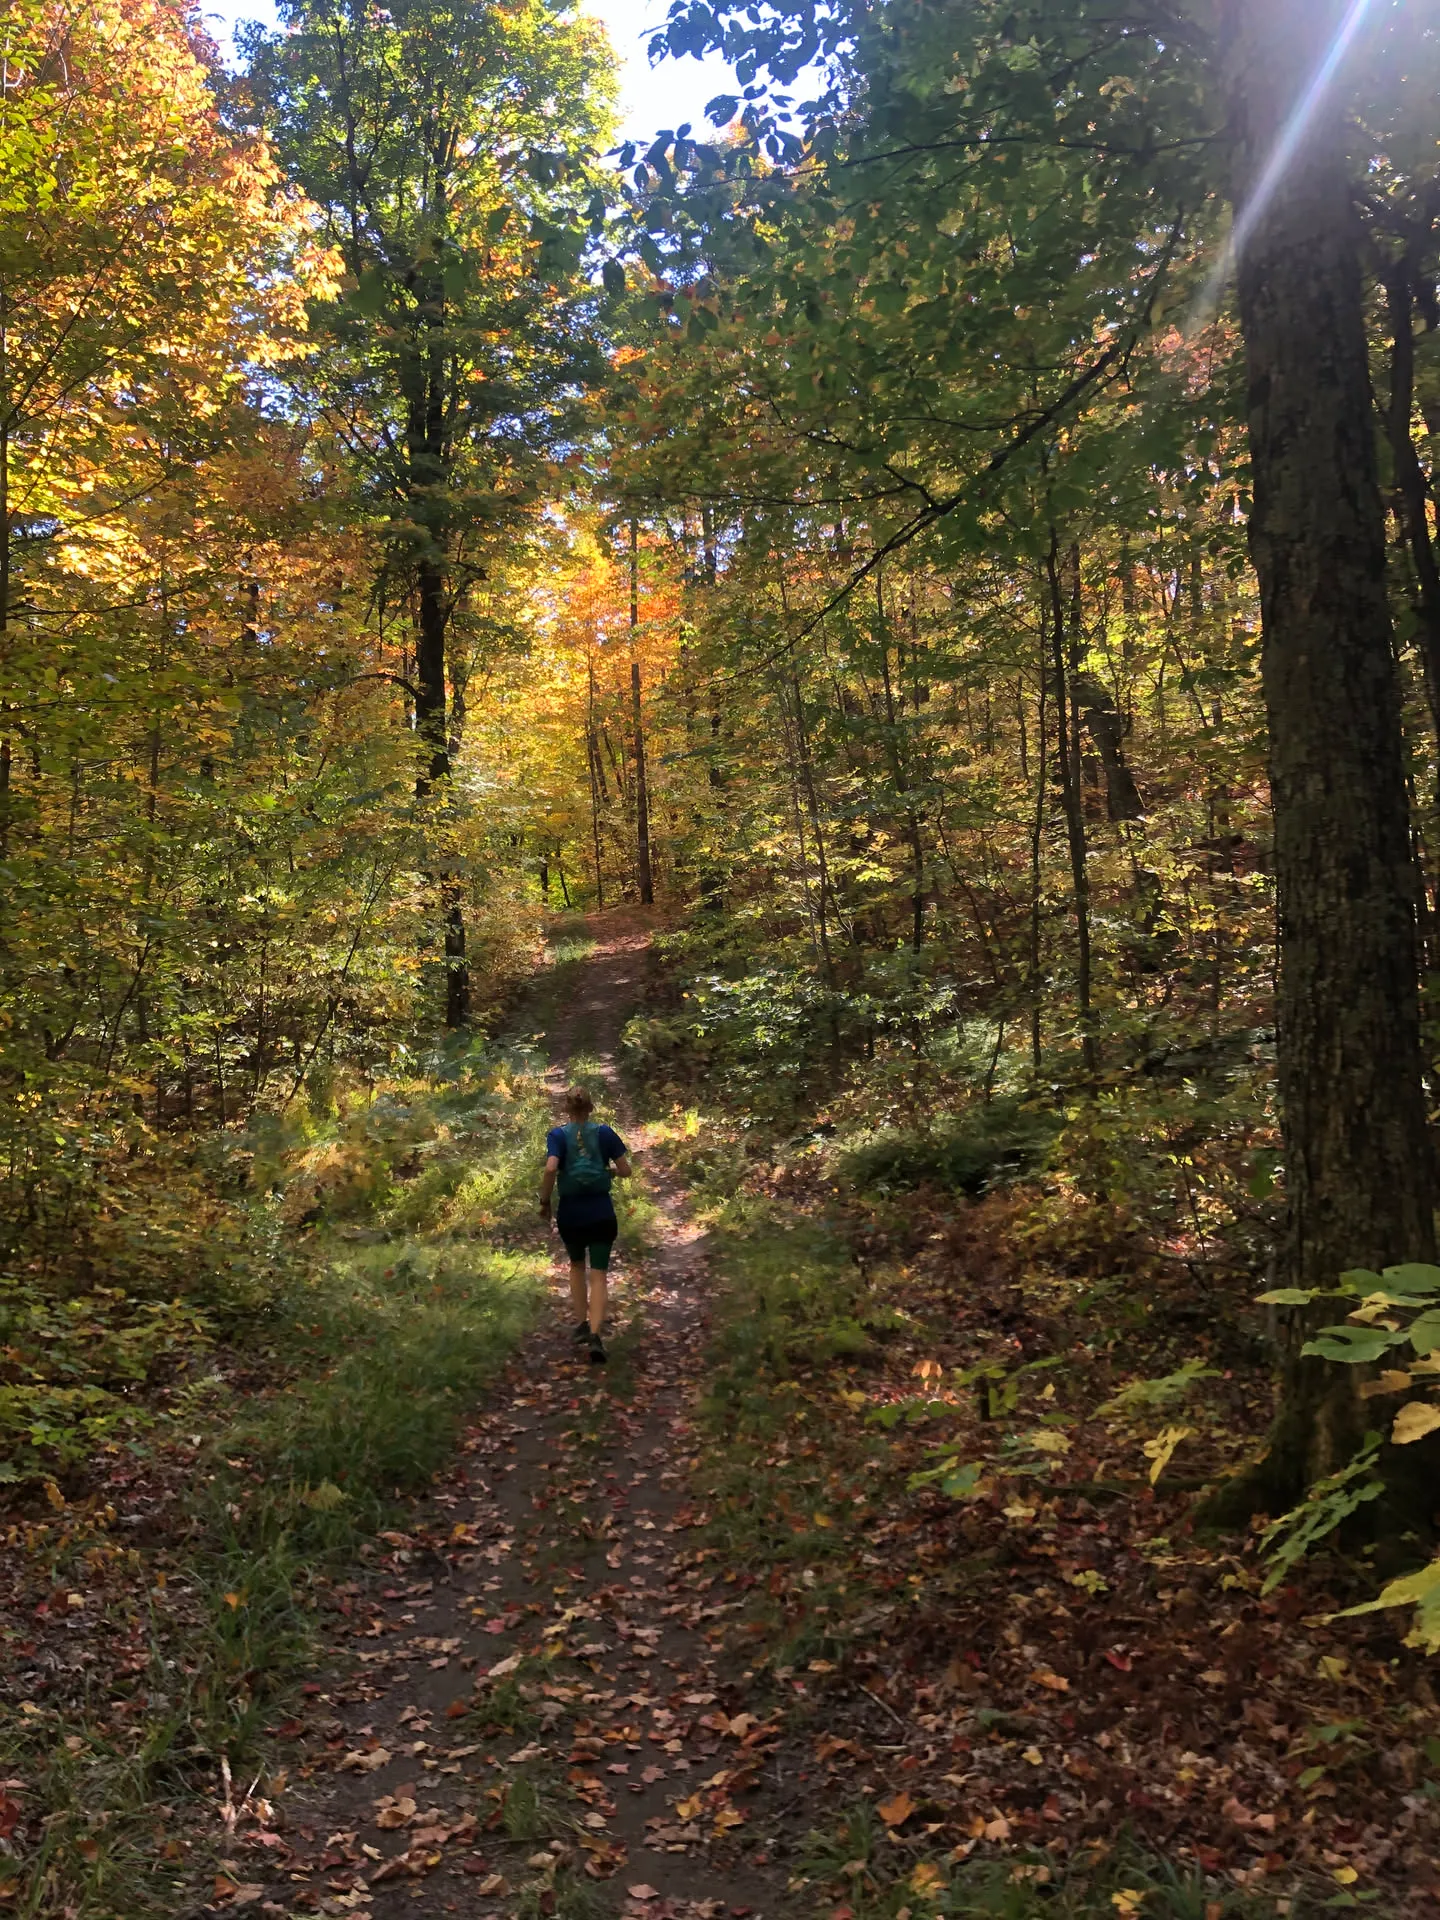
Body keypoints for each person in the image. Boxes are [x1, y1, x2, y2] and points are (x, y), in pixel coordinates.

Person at [539, 1086, 631, 1365]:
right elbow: (626, 1170)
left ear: (565, 1108)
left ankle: (581, 1322)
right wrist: (609, 1172)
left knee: (577, 1266)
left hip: (571, 1214)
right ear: (591, 1107)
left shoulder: (557, 1135)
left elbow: (551, 1167)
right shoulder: (605, 1133)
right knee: (600, 1273)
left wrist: (544, 1201)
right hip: (602, 1212)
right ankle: (595, 1333)